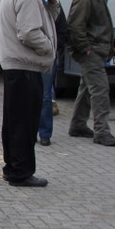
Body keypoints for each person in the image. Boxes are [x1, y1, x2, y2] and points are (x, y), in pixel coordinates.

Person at [0, 0, 60, 188]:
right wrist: (49, 49)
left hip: (18, 65)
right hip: (24, 66)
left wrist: (52, 3)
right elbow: (30, 32)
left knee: (15, 122)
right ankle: (21, 172)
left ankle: (13, 168)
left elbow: (45, 22)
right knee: (24, 123)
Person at [67, 0, 115, 146]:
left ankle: (78, 125)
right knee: (100, 90)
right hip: (92, 52)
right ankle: (102, 132)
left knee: (87, 88)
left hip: (95, 50)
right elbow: (75, 26)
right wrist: (85, 48)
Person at [38, 9, 67, 146]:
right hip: (30, 57)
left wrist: (53, 48)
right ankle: (31, 131)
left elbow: (62, 28)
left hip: (48, 57)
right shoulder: (29, 0)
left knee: (45, 96)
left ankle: (45, 134)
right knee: (31, 96)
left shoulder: (54, 6)